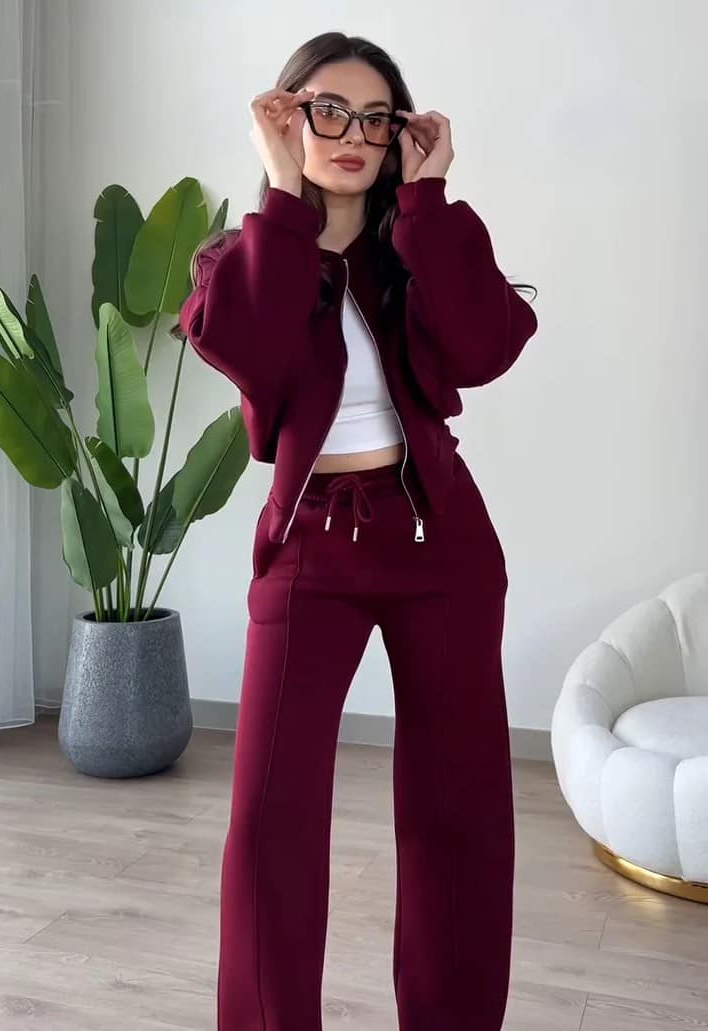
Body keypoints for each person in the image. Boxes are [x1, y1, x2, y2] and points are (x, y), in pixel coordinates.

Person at [178, 30, 538, 1031]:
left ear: (395, 139)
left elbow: (483, 349)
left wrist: (427, 202)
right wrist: (280, 196)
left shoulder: (420, 245)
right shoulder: (242, 258)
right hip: (309, 547)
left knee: (459, 810)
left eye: (375, 120)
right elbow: (251, 350)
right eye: (326, 111)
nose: (351, 135)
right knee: (270, 820)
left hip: (438, 540)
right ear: (284, 118)